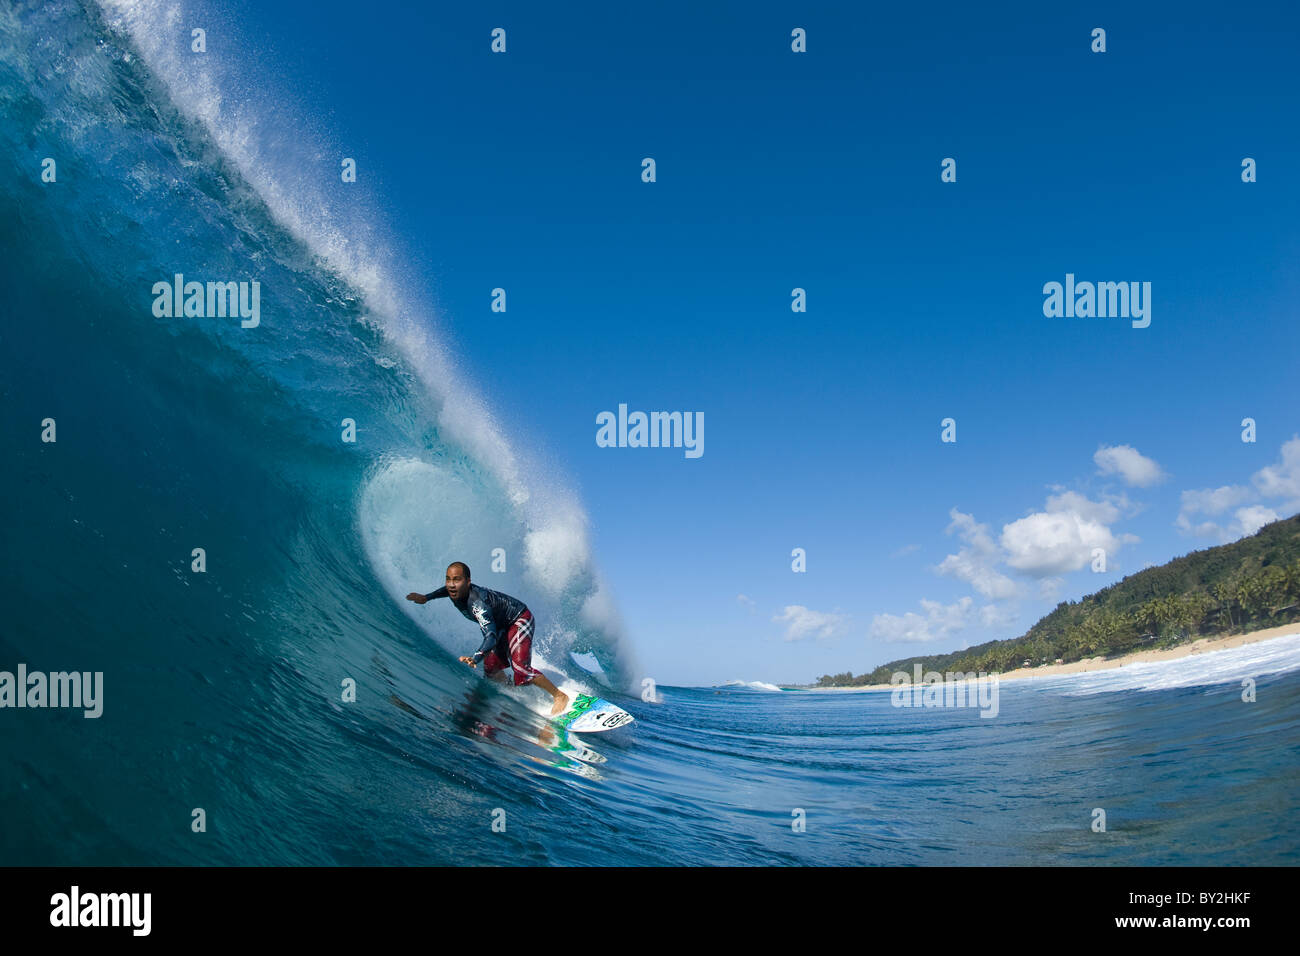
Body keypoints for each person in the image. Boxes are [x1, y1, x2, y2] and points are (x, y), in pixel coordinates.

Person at [406, 562, 570, 716]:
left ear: (468, 581)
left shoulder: (478, 605)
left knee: (520, 668)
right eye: (448, 579)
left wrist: (475, 658)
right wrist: (427, 597)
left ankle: (559, 696)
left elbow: (490, 636)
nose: (451, 584)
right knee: (491, 670)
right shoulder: (454, 590)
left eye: (456, 579)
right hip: (501, 624)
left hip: (519, 619)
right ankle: (513, 690)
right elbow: (445, 590)